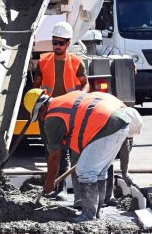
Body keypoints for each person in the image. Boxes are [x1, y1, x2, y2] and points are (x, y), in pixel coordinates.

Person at [23, 88, 142, 222]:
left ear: (42, 108)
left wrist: (50, 182)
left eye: (38, 115)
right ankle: (96, 212)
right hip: (121, 124)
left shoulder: (53, 116)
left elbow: (55, 155)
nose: (40, 118)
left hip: (105, 126)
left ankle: (88, 215)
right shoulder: (66, 98)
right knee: (100, 171)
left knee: (85, 171)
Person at [32, 21, 89, 198]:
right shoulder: (43, 61)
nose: (57, 46)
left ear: (68, 44)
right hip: (47, 112)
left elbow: (85, 84)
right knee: (50, 150)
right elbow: (36, 87)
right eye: (54, 42)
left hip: (68, 113)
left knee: (63, 151)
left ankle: (61, 188)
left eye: (61, 43)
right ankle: (55, 185)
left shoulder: (76, 62)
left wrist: (80, 99)